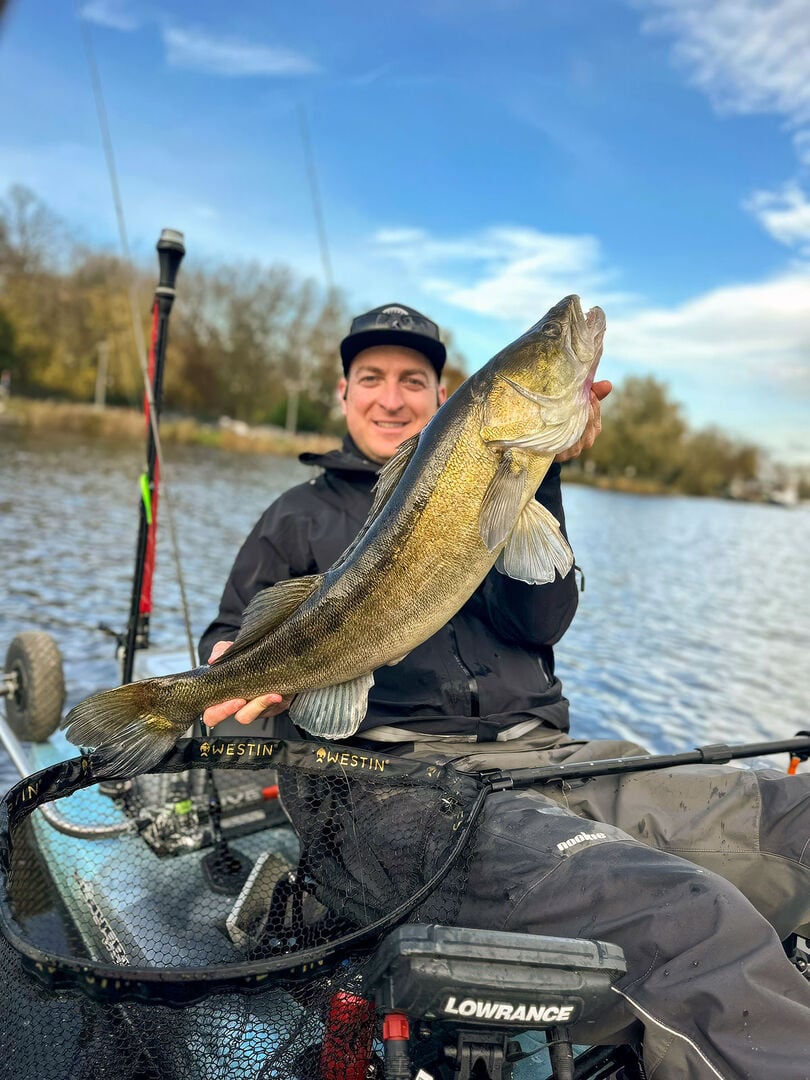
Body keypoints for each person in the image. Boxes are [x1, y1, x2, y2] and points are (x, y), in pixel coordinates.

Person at [198, 303, 810, 1079]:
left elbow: (543, 620)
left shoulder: (498, 478)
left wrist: (539, 473)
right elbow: (229, 643)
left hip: (555, 758)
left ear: (447, 396)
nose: (391, 397)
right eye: (372, 379)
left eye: (413, 381)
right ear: (343, 393)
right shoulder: (294, 517)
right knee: (687, 915)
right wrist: (231, 666)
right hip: (390, 784)